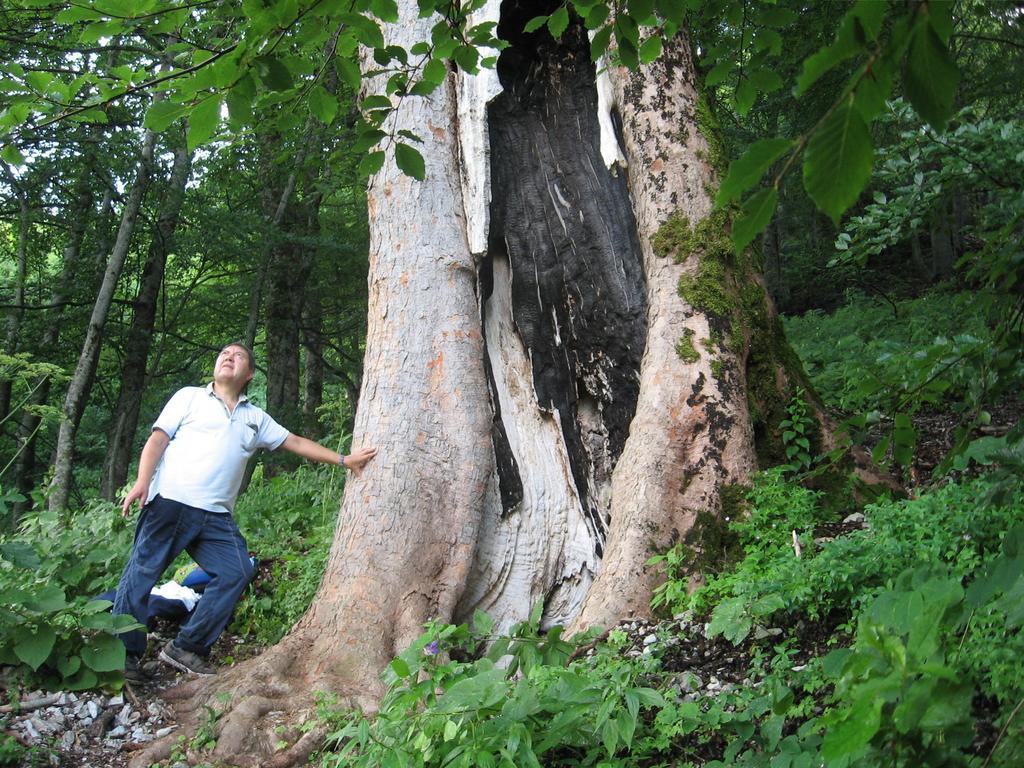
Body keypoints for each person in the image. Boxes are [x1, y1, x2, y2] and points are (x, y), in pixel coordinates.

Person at [114, 341, 376, 683]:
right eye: (224, 353)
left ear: (249, 374)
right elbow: (158, 440)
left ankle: (186, 647)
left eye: (238, 356)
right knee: (142, 574)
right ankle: (123, 655)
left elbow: (294, 442)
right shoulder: (189, 397)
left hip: (216, 516)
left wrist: (344, 460)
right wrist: (142, 481)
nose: (228, 357)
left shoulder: (254, 417)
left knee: (237, 570)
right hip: (171, 503)